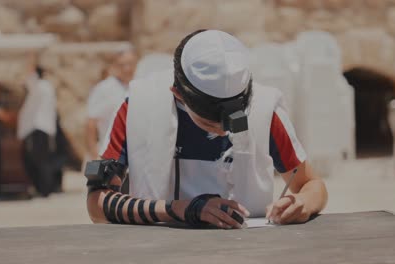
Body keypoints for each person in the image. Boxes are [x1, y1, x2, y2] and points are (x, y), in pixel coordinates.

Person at [86, 30, 328, 229]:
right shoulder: (138, 106)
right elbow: (97, 204)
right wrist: (179, 209)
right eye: (209, 123)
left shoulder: (265, 109)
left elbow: (312, 184)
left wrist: (302, 202)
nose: (223, 132)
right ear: (178, 94)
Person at [86, 48, 138, 160]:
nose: (127, 68)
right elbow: (91, 122)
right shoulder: (104, 88)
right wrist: (93, 153)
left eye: (130, 64)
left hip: (135, 154)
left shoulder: (140, 86)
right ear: (115, 65)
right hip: (110, 154)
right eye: (122, 64)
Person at [18, 65, 58, 197]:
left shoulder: (40, 86)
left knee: (40, 161)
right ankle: (44, 189)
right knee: (42, 160)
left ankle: (44, 189)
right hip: (42, 128)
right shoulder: (46, 87)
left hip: (39, 128)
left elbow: (29, 78)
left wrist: (30, 57)